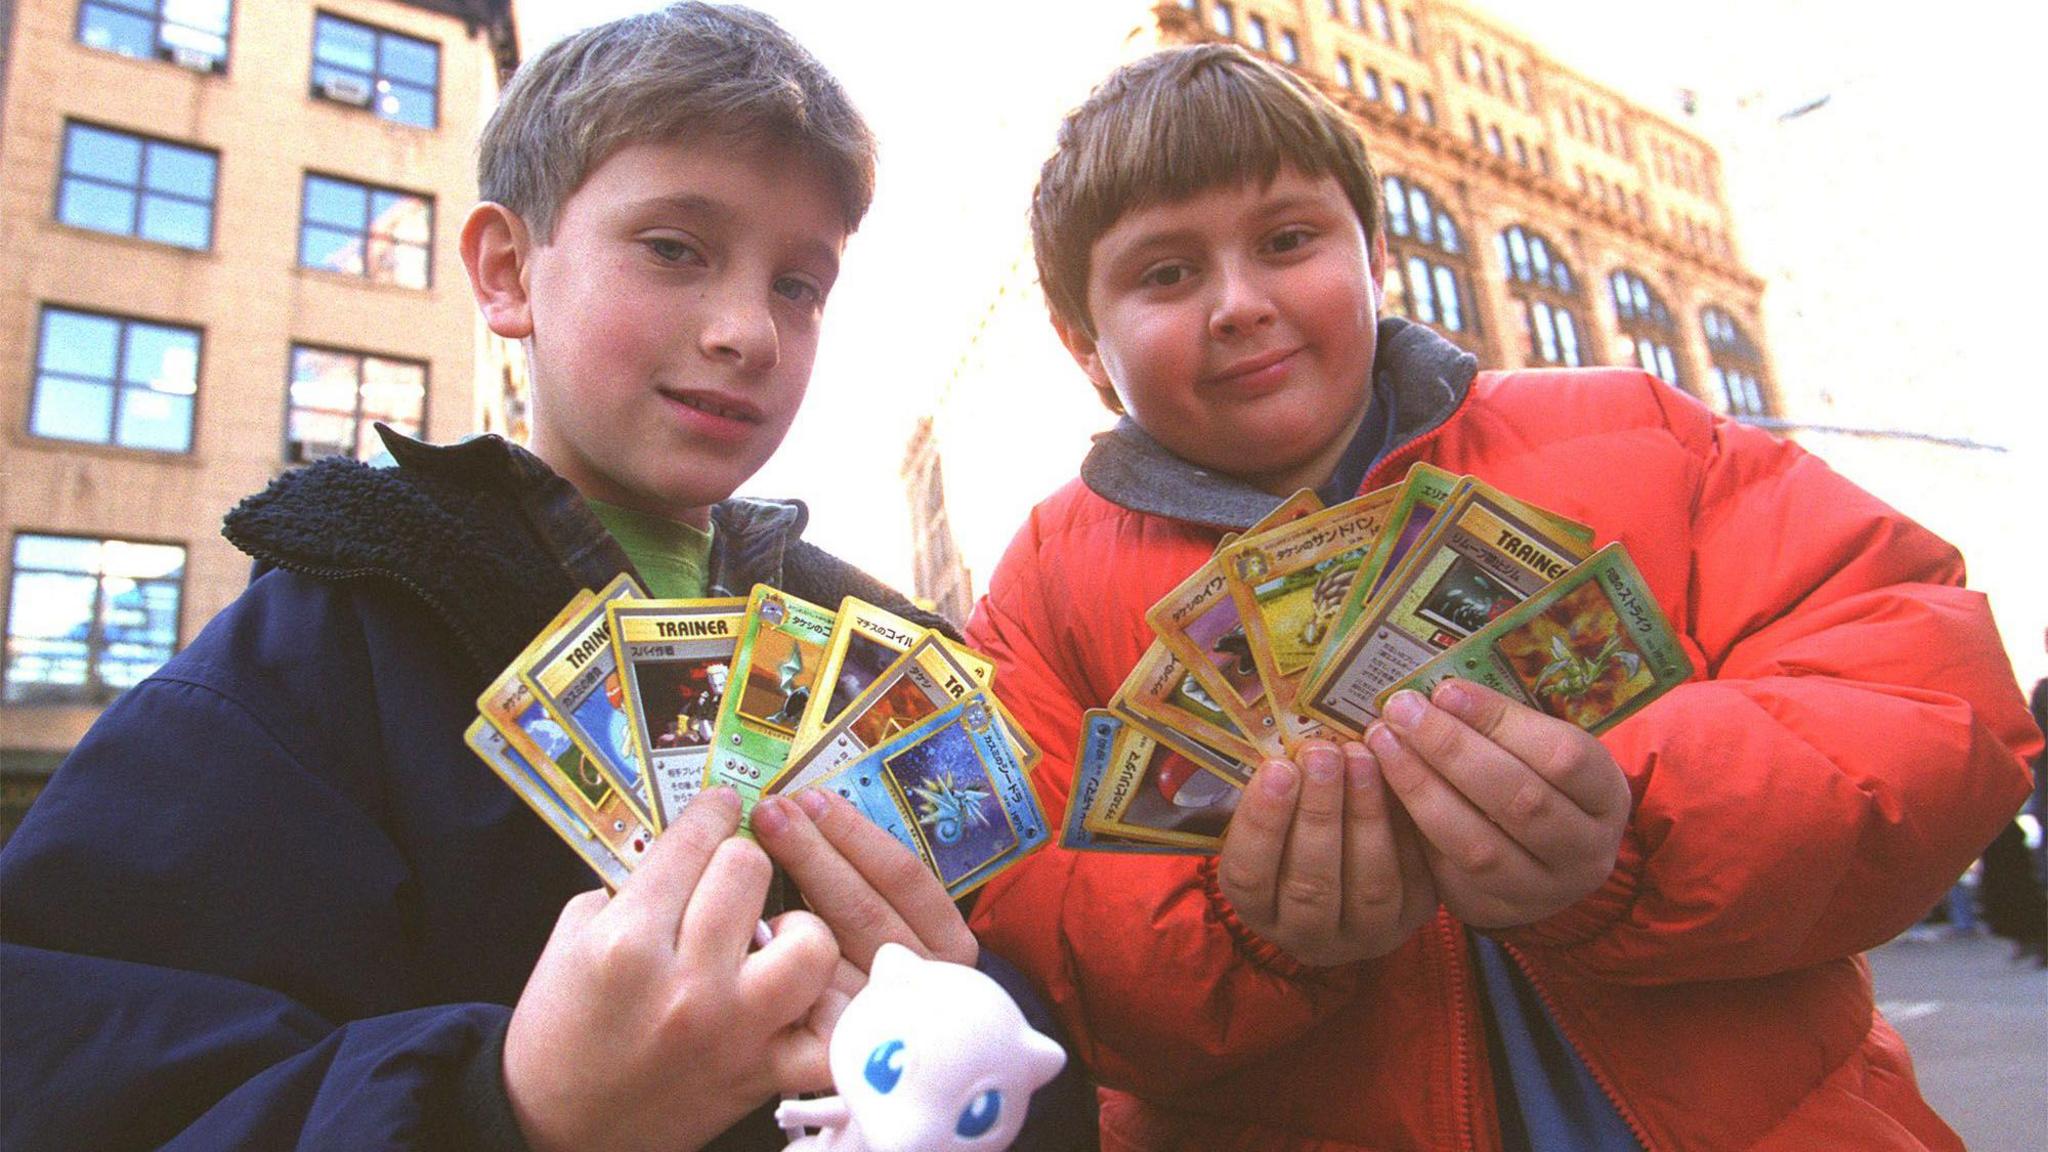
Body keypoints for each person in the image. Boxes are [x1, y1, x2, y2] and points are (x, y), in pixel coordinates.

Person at [0, 7, 1089, 1150]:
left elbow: (1052, 1061)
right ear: (509, 271)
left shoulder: (891, 653)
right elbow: (73, 1072)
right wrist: (511, 1112)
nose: (747, 330)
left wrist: (982, 1051)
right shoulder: (335, 636)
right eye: (674, 248)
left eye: (799, 285)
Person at [961, 42, 2041, 1152]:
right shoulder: (1042, 584)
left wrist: (1626, 826)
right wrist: (1249, 929)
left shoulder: (1637, 432)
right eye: (1165, 274)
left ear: (1374, 254)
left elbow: (1923, 693)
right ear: (1083, 346)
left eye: (1287, 241)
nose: (1238, 303)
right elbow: (1019, 922)